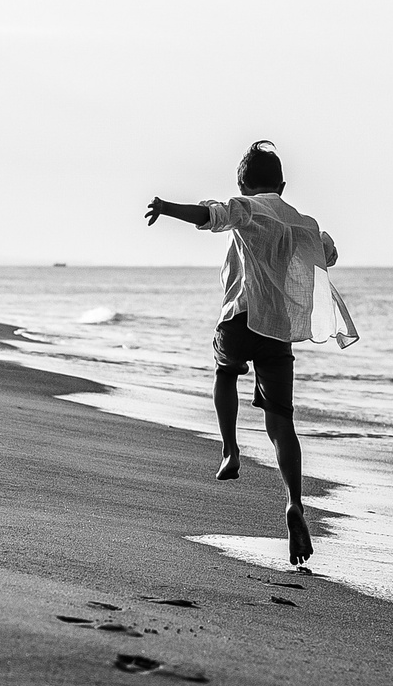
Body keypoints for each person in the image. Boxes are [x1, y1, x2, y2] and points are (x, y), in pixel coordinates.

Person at [144, 140, 349, 566]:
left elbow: (210, 216)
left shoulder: (246, 209)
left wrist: (166, 207)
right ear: (283, 186)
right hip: (276, 330)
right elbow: (327, 253)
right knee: (281, 422)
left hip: (239, 319)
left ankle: (230, 450)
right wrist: (319, 242)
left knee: (224, 372)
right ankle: (294, 502)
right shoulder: (302, 223)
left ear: (242, 185)